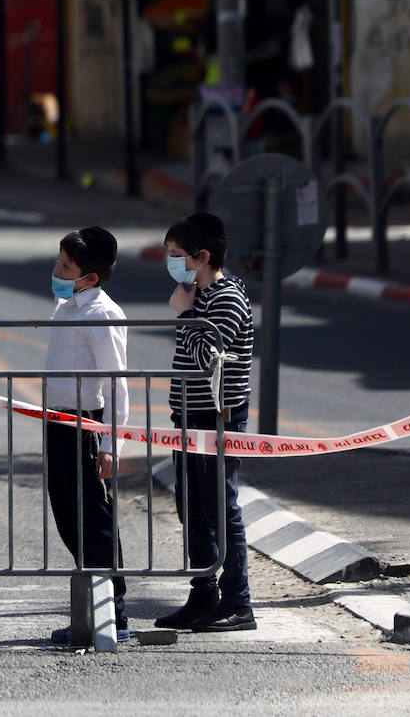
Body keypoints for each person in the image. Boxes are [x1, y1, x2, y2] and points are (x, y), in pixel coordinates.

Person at [155, 211, 256, 632]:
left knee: (220, 507)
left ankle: (238, 601)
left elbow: (207, 361)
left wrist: (185, 314)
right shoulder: (197, 294)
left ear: (202, 256)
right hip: (188, 418)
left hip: (217, 418)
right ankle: (203, 594)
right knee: (192, 508)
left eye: (178, 255)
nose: (173, 264)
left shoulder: (226, 298)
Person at [43, 227, 130, 645]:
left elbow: (117, 382)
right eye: (59, 261)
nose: (56, 270)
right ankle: (93, 608)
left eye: (66, 266)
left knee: (93, 517)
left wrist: (111, 443)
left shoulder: (102, 314)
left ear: (90, 277)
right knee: (66, 510)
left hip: (86, 422)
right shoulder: (68, 305)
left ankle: (116, 613)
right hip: (57, 420)